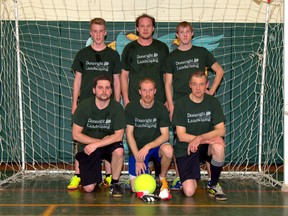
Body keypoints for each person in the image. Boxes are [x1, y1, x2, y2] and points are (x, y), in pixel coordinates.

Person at [163, 21, 224, 190]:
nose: (184, 35)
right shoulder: (171, 57)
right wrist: (172, 105)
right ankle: (179, 177)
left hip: (201, 101)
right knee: (180, 140)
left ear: (192, 34)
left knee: (209, 138)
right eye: (181, 32)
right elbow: (167, 84)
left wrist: (210, 92)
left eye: (187, 31)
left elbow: (219, 71)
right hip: (181, 105)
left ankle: (214, 181)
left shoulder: (201, 52)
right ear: (177, 35)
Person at [69, 17, 121, 189]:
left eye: (101, 31)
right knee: (81, 139)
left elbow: (117, 79)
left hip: (107, 103)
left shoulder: (113, 55)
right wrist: (74, 103)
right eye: (95, 31)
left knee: (107, 136)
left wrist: (118, 100)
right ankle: (78, 174)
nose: (98, 35)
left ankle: (108, 176)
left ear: (105, 33)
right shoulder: (83, 54)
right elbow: (77, 79)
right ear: (91, 33)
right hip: (86, 103)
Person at [172, 71, 227, 201]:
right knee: (189, 192)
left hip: (204, 145)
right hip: (186, 147)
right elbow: (181, 136)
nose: (198, 88)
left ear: (207, 85)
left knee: (219, 147)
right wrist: (200, 139)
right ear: (190, 85)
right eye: (195, 84)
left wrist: (200, 138)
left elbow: (221, 130)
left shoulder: (213, 102)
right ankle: (188, 178)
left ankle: (213, 184)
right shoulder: (181, 104)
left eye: (201, 84)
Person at [72, 75, 125, 196]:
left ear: (111, 91)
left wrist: (97, 144)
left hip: (107, 144)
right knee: (89, 189)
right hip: (88, 147)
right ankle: (91, 178)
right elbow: (76, 135)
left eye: (107, 88)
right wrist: (96, 143)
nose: (104, 91)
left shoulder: (117, 108)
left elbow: (118, 136)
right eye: (100, 87)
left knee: (119, 151)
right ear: (94, 90)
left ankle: (115, 183)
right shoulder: (84, 107)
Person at [125, 78, 173, 200]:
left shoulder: (161, 108)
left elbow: (165, 135)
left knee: (168, 150)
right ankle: (147, 169)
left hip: (155, 147)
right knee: (136, 188)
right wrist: (138, 157)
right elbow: (129, 134)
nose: (148, 94)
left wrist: (148, 146)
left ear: (155, 91)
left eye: (150, 90)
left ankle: (161, 178)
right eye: (145, 90)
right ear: (140, 91)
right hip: (138, 150)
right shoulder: (131, 107)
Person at [121, 13, 169, 107]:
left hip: (159, 100)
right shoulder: (129, 48)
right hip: (135, 100)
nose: (145, 29)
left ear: (153, 28)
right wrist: (126, 99)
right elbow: (124, 76)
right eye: (142, 26)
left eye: (148, 26)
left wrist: (168, 99)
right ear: (137, 28)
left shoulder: (162, 48)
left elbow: (167, 76)